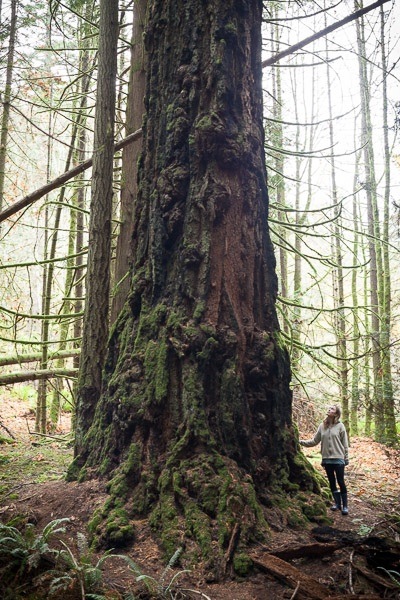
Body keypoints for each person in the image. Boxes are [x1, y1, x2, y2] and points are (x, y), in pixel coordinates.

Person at [300, 405, 349, 515]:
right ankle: (337, 504)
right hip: (327, 460)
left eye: (332, 409)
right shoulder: (322, 426)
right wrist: (300, 441)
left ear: (336, 414)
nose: (329, 410)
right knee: (331, 482)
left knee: (341, 481)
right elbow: (314, 441)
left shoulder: (340, 426)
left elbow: (345, 444)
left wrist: (346, 458)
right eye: (329, 408)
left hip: (339, 459)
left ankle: (345, 506)